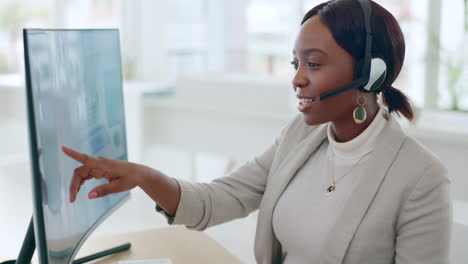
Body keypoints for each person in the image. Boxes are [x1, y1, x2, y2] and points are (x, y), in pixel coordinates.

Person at [62, 0, 452, 263]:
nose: (297, 79)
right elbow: (221, 197)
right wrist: (142, 175)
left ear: (370, 73)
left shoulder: (420, 178)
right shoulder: (299, 136)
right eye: (295, 62)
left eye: (313, 64)